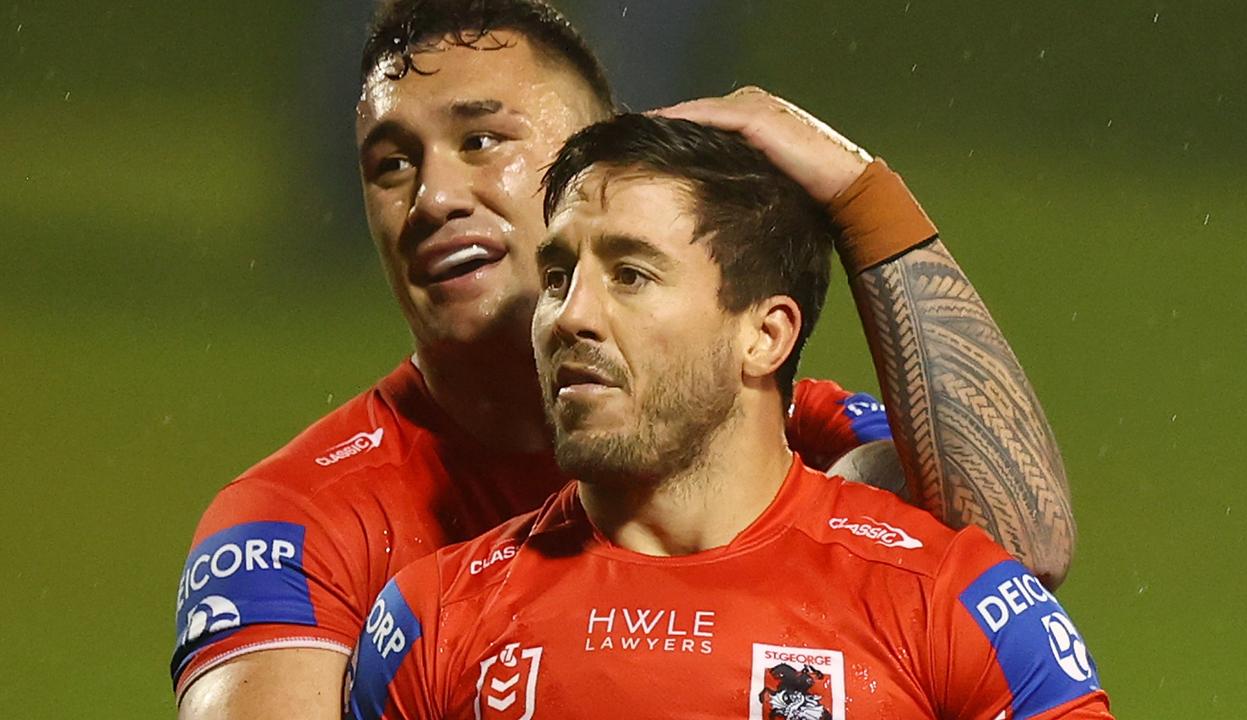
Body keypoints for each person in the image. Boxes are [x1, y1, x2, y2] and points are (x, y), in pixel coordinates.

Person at [174, 1, 1076, 717]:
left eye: (482, 139)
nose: (434, 196)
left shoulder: (795, 427)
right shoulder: (299, 523)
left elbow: (1024, 549)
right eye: (391, 164)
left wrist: (862, 195)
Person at [343, 113, 1110, 720]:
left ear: (764, 335)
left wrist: (862, 195)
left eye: (631, 274)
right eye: (557, 275)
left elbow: (1030, 527)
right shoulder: (434, 623)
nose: (566, 316)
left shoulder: (940, 603)